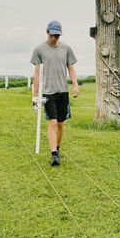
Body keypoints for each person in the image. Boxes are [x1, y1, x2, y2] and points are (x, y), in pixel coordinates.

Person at [30, 20, 78, 167]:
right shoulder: (39, 50)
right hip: (48, 93)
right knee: (52, 122)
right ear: (47, 32)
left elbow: (71, 69)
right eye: (52, 35)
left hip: (63, 91)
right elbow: (37, 74)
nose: (54, 38)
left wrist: (75, 85)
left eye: (57, 36)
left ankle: (57, 147)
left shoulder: (66, 49)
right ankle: (54, 155)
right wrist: (35, 94)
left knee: (61, 124)